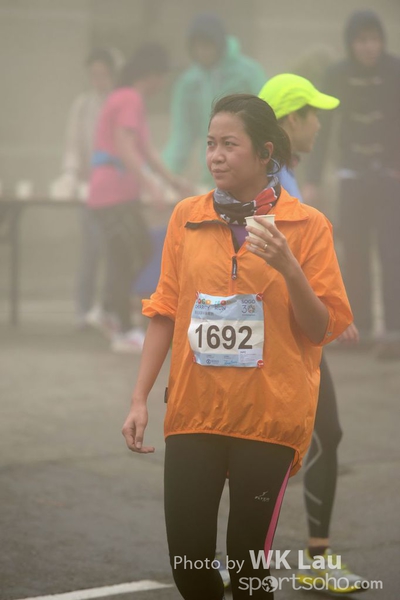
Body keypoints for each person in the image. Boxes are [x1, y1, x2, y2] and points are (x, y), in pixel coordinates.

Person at [122, 93, 353, 599]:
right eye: (210, 144)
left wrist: (289, 268)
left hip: (267, 418)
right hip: (194, 413)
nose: (216, 156)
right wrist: (139, 398)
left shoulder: (307, 225)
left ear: (266, 152)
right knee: (190, 570)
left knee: (249, 575)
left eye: (230, 144)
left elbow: (321, 329)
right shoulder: (186, 217)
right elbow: (164, 310)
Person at [259, 73, 367, 595]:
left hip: (289, 330)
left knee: (300, 441)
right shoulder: (273, 180)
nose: (320, 125)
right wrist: (320, 309)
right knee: (312, 440)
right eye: (313, 115)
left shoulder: (279, 175)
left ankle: (260, 559)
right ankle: (304, 561)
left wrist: (325, 307)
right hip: (284, 336)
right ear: (289, 120)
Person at [304, 11, 400, 360]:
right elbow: (323, 127)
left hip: (390, 177)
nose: (368, 47)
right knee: (354, 254)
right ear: (351, 43)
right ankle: (358, 330)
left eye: (374, 39)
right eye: (361, 40)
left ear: (382, 41)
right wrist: (313, 179)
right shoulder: (337, 75)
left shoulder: (395, 71)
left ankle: (394, 334)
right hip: (352, 176)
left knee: (392, 253)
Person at [88, 43, 190, 354]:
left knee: (136, 250)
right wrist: (151, 186)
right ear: (151, 75)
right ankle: (123, 328)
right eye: (163, 76)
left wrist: (171, 180)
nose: (163, 83)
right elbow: (124, 146)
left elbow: (146, 150)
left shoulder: (129, 99)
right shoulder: (129, 99)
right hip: (112, 193)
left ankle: (108, 311)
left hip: (118, 193)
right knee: (128, 255)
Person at [53, 48, 117, 330]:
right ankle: (84, 308)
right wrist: (70, 174)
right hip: (89, 188)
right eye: (94, 75)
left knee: (114, 250)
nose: (98, 80)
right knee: (91, 248)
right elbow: (73, 145)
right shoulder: (83, 105)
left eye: (103, 74)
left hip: (115, 189)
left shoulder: (120, 102)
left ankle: (108, 308)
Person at [163, 13, 266, 187]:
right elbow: (182, 135)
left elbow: (267, 119)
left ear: (219, 44)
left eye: (207, 45)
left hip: (247, 172)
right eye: (197, 46)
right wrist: (164, 173)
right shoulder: (188, 83)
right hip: (213, 174)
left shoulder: (248, 73)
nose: (202, 51)